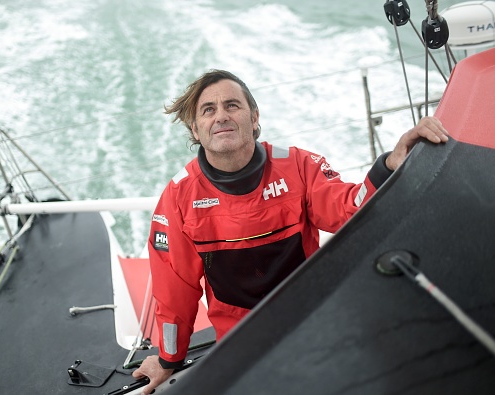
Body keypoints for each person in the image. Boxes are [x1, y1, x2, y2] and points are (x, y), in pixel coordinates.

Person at [132, 69, 449, 394]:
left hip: (311, 324)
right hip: (240, 343)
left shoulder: (297, 166)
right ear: (195, 129)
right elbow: (175, 294)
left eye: (232, 105)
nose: (222, 116)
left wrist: (389, 165)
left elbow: (349, 208)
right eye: (208, 110)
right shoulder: (179, 198)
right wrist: (169, 359)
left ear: (254, 118)